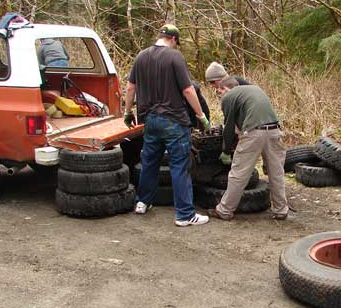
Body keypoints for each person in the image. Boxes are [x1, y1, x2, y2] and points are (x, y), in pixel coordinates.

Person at [123, 24, 210, 227]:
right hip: (174, 121)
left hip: (149, 120)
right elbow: (188, 90)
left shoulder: (141, 56)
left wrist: (127, 113)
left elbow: (130, 87)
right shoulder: (174, 57)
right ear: (173, 40)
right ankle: (185, 215)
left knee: (149, 162)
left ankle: (143, 202)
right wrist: (201, 115)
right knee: (180, 166)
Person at [208, 76, 289, 221]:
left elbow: (229, 127)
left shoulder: (229, 97)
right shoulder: (253, 89)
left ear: (224, 88)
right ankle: (281, 210)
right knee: (276, 172)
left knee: (238, 174)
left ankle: (224, 211)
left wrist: (226, 150)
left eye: (219, 92)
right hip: (275, 131)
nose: (220, 95)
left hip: (254, 134)